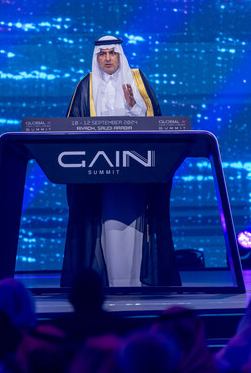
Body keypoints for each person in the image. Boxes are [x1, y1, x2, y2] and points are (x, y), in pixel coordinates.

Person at [61, 35, 181, 288]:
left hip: (135, 173)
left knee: (136, 226)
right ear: (96, 58)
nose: (107, 58)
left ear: (120, 55)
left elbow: (155, 122)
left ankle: (137, 283)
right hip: (98, 174)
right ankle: (105, 284)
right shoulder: (86, 85)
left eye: (112, 53)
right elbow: (72, 126)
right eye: (102, 54)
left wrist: (133, 106)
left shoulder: (136, 80)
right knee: (102, 226)